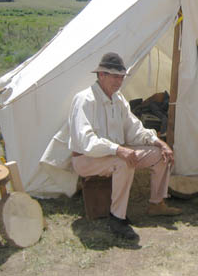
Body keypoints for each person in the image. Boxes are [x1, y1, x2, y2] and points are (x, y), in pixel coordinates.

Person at [68, 52, 181, 240]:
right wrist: (118, 150)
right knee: (124, 162)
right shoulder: (85, 99)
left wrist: (159, 143)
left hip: (114, 154)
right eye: (115, 76)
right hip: (86, 159)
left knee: (161, 154)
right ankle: (117, 219)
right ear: (101, 75)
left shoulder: (118, 99)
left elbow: (134, 129)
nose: (119, 81)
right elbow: (86, 141)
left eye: (121, 77)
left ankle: (156, 203)